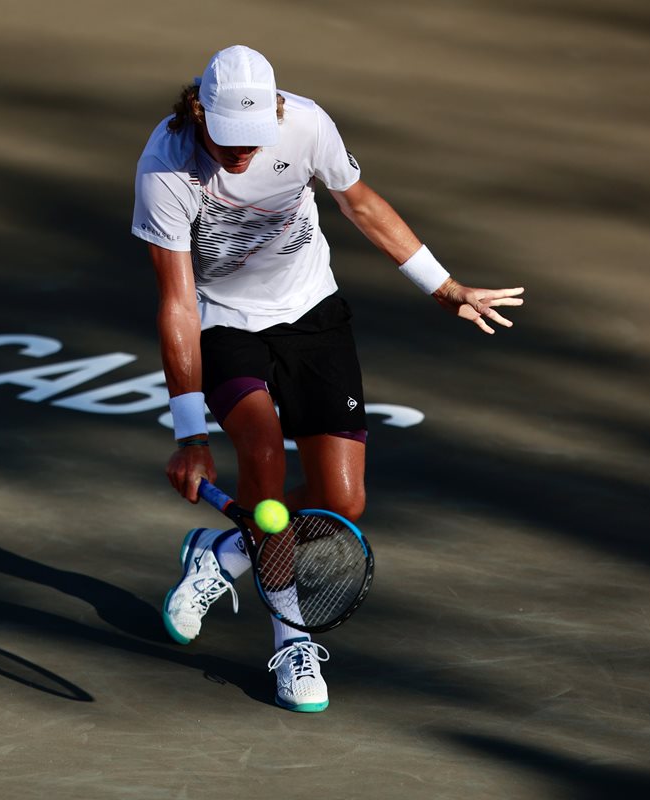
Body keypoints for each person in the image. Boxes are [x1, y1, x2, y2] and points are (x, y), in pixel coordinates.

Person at [131, 45, 524, 712]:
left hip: (313, 311)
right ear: (199, 114)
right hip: (225, 320)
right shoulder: (165, 165)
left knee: (341, 503)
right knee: (261, 454)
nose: (243, 153)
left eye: (254, 137)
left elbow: (360, 204)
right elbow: (177, 301)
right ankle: (292, 639)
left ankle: (224, 553)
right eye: (229, 138)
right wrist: (190, 434)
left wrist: (444, 287)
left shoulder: (308, 125)